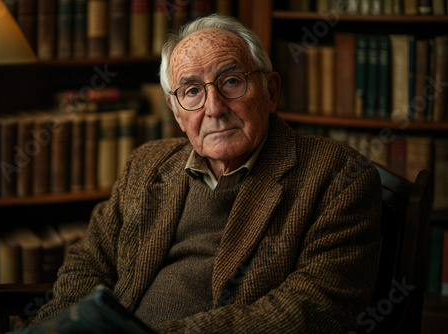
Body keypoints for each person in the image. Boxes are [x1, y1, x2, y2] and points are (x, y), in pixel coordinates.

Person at [32, 14, 382, 333]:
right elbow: (88, 261)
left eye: (231, 82)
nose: (214, 108)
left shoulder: (338, 176)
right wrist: (60, 327)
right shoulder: (147, 164)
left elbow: (316, 309)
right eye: (193, 91)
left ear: (270, 91)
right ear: (176, 112)